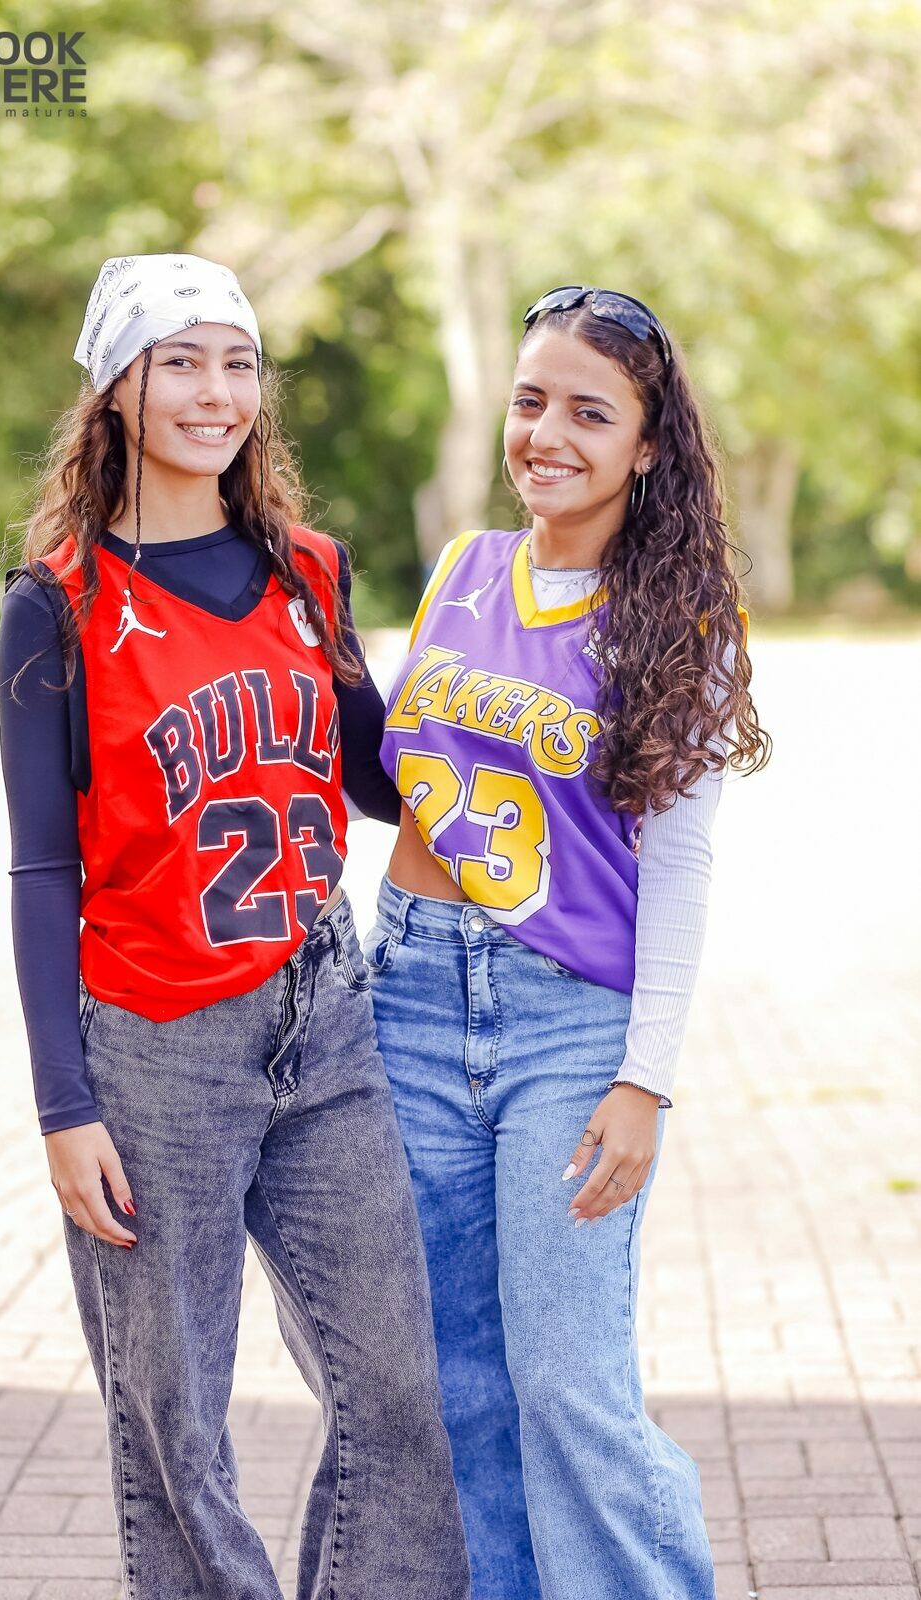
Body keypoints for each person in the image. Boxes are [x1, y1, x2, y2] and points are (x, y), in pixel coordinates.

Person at [0, 252, 469, 1600]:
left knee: (400, 1393)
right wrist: (62, 1105)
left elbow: (373, 775)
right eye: (183, 362)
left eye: (240, 363)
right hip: (156, 1047)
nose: (218, 392)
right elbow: (41, 871)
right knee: (175, 1427)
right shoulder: (60, 605)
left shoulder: (308, 571)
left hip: (324, 1018)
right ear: (117, 387)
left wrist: (498, 719)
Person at [365, 285, 770, 1598]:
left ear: (648, 447)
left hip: (568, 1023)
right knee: (457, 1375)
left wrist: (645, 1078)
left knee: (565, 1377)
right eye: (531, 402)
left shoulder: (683, 621)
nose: (548, 435)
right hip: (412, 990)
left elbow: (683, 863)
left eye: (591, 414)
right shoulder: (461, 569)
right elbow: (398, 774)